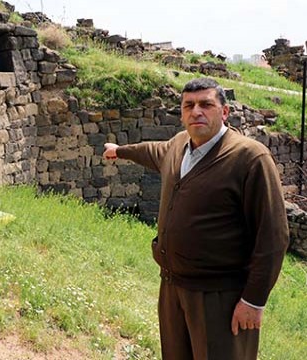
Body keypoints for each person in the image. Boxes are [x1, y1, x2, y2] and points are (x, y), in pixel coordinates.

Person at [103, 78, 288, 359]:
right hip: (173, 288)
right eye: (188, 105)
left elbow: (273, 236)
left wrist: (254, 300)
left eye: (206, 104)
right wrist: (120, 151)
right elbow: (152, 151)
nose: (196, 112)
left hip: (219, 297)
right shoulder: (179, 146)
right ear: (181, 113)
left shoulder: (249, 158)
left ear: (224, 112)